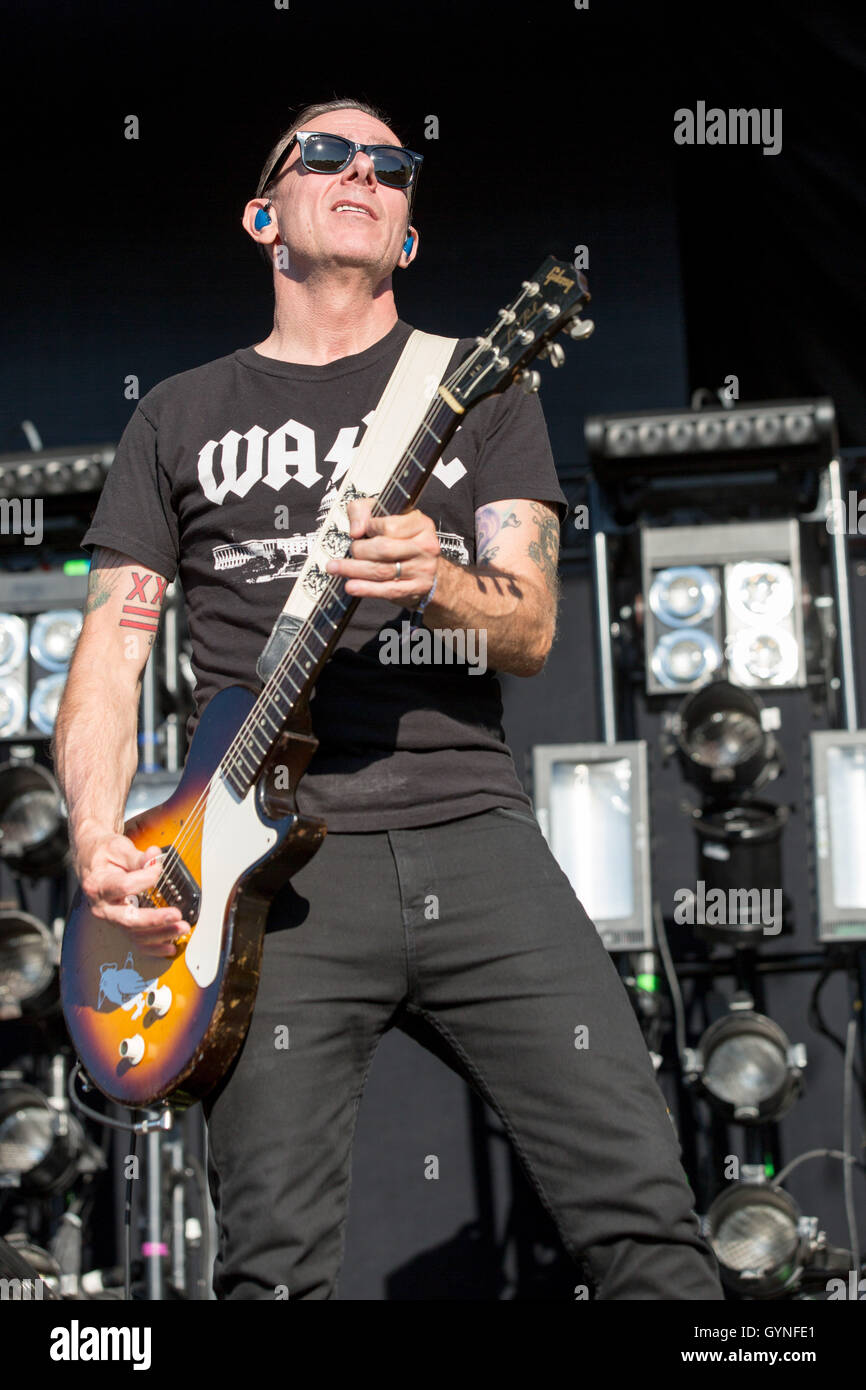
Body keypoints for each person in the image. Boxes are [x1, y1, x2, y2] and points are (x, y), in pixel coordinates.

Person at [52, 97, 724, 1301]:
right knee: (271, 1271)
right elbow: (112, 642)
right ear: (265, 214)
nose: (363, 170)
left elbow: (528, 625)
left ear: (406, 233)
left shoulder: (477, 387)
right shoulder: (180, 415)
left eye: (391, 164)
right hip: (262, 884)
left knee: (643, 1225)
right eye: (326, 152)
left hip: (471, 835)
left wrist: (439, 580)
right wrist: (99, 835)